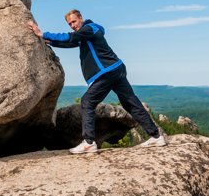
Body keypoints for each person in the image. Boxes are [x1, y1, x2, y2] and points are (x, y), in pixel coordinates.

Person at [28, 9, 166, 154]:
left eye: (74, 21)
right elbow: (71, 42)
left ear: (81, 18)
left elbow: (71, 37)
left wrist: (43, 34)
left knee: (87, 101)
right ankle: (156, 136)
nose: (73, 25)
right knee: (130, 103)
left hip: (107, 72)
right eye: (70, 24)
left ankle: (88, 142)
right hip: (116, 69)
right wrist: (48, 41)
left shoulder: (89, 28)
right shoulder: (86, 34)